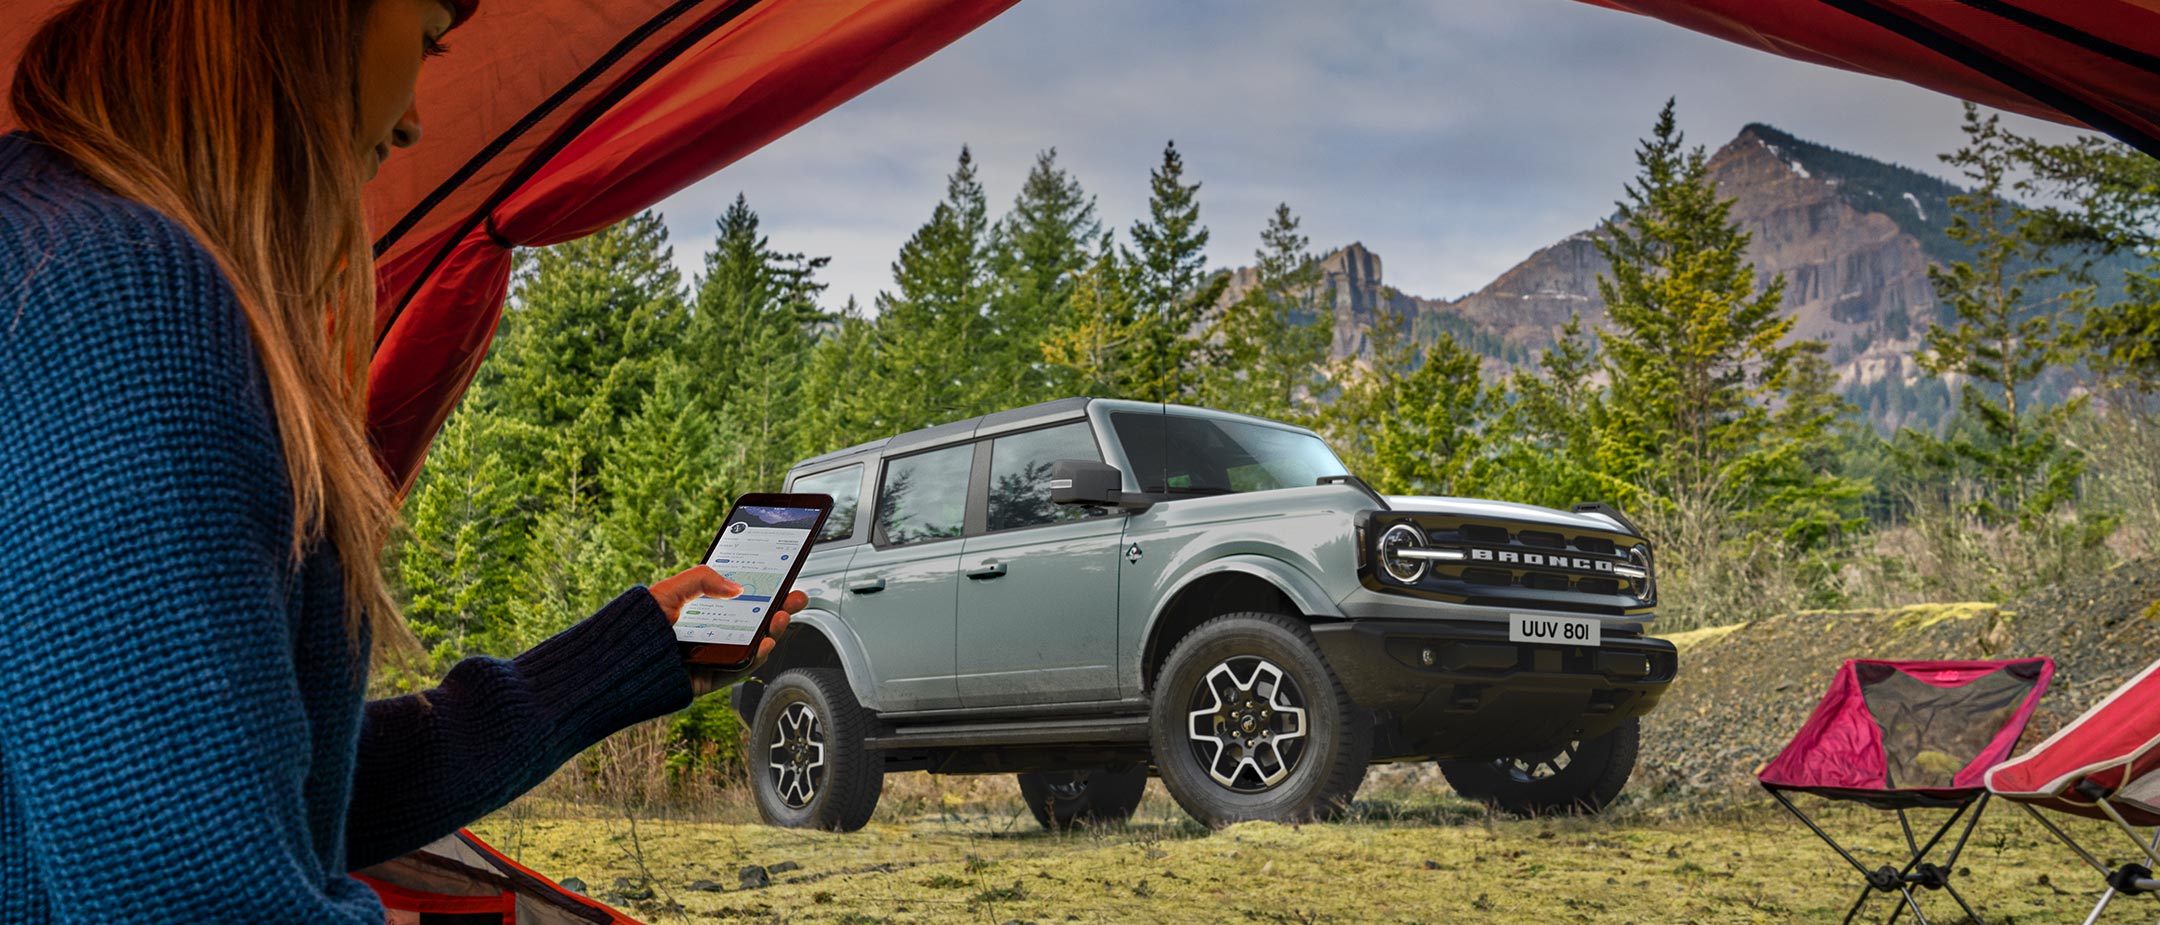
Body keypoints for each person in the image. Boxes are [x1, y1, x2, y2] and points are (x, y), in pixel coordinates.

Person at [0, 1, 800, 921]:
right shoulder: (118, 294)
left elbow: (273, 789)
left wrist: (625, 657)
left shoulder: (44, 245)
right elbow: (200, 890)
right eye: (426, 35)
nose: (416, 116)